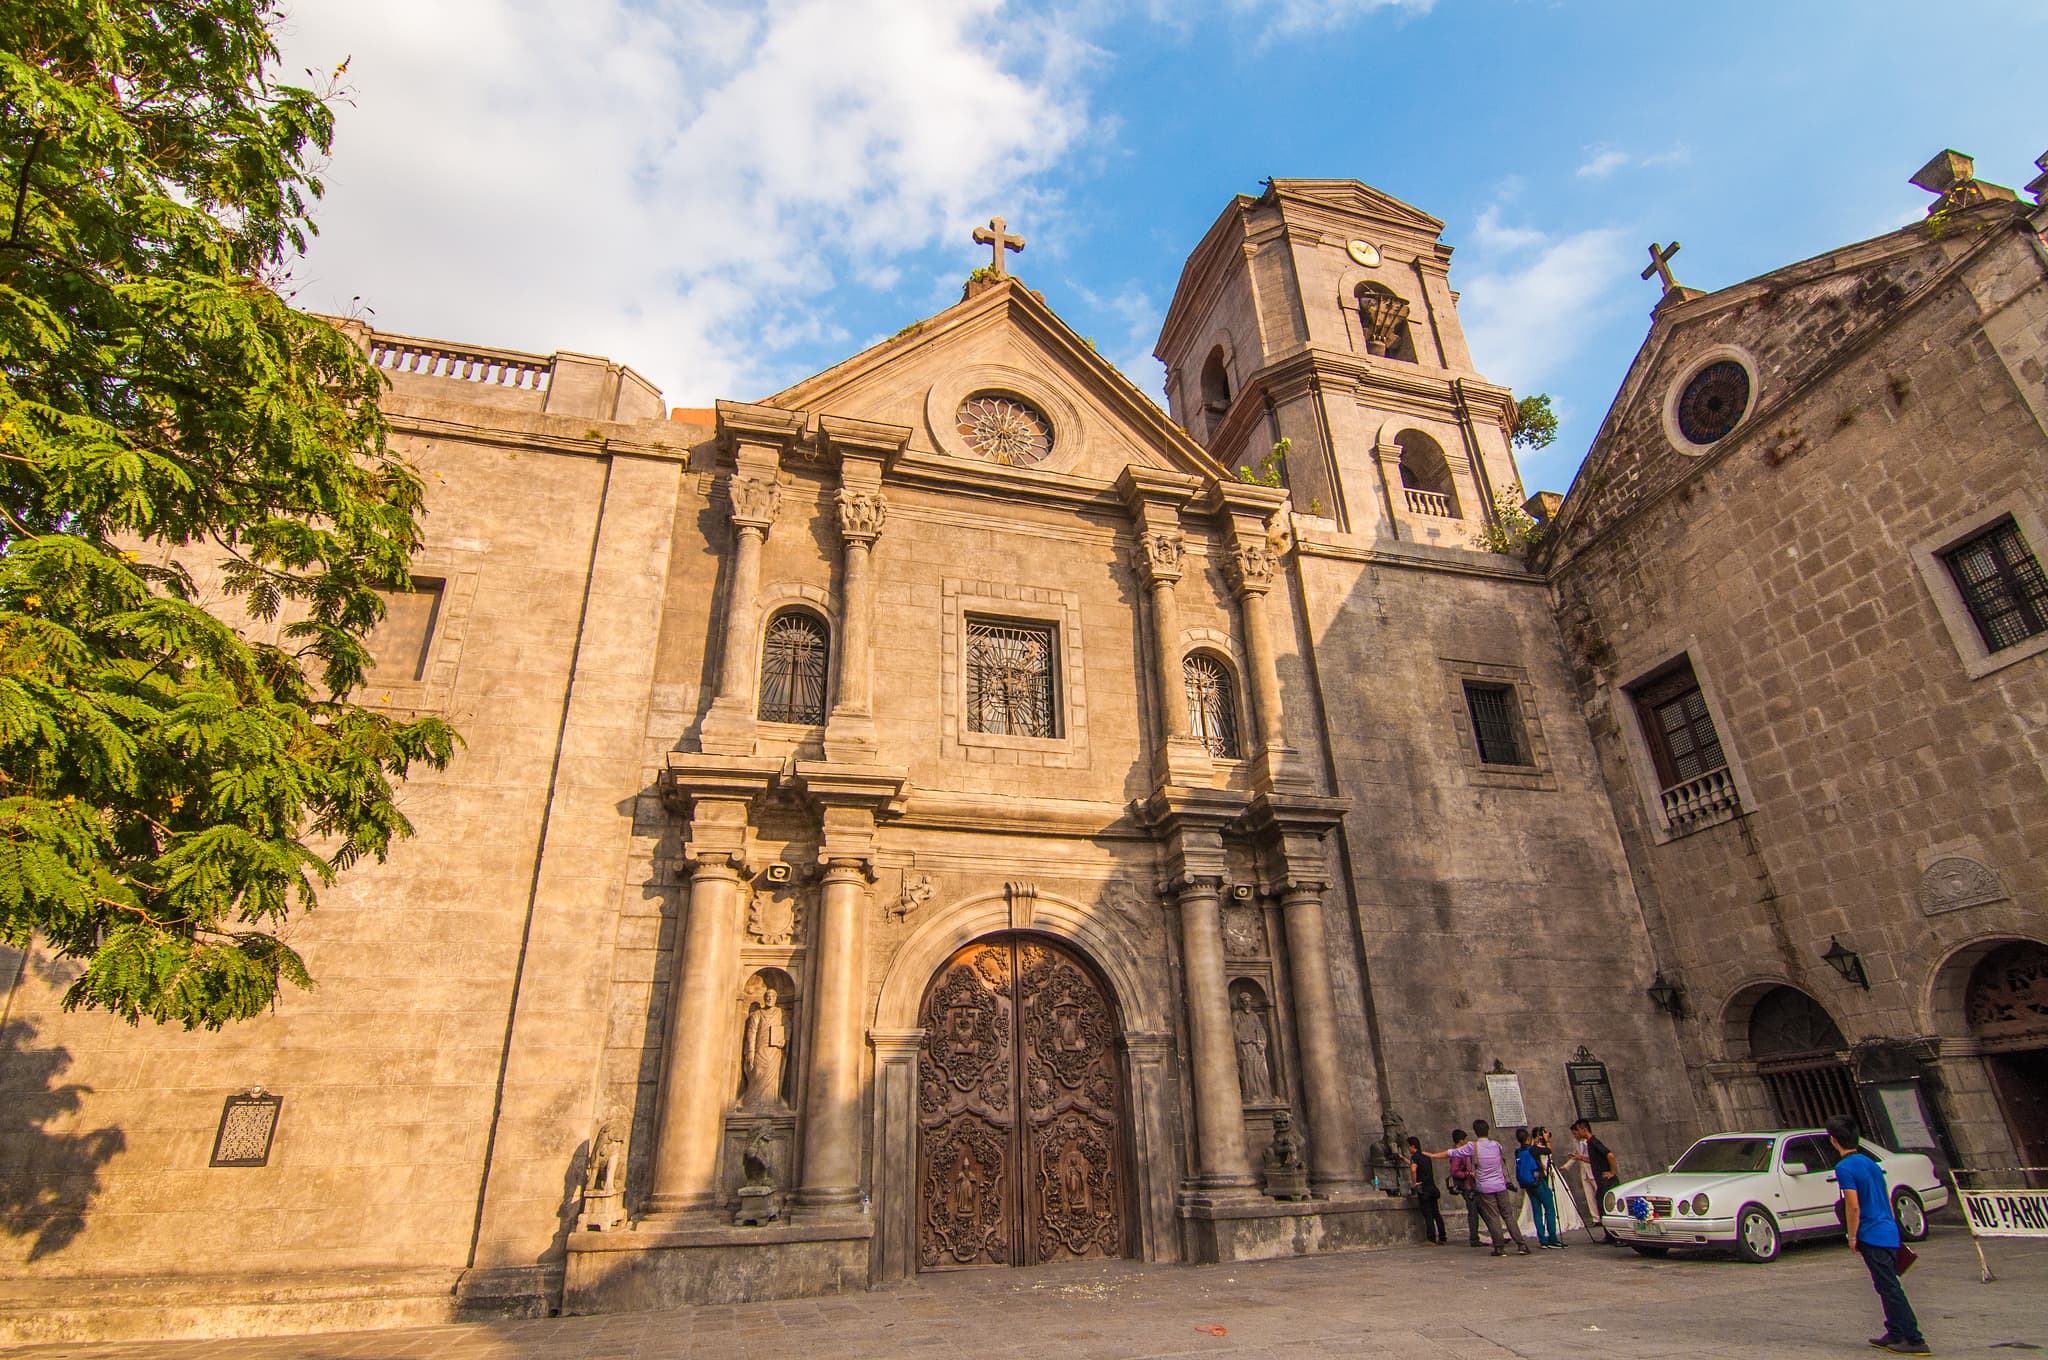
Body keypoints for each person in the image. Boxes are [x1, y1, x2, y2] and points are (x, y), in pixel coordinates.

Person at [1829, 1117, 1928, 1356]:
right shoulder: (1870, 1162)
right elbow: (1884, 1194)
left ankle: (1914, 1338)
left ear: (1833, 1140)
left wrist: (1852, 1236)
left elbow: (1852, 1205)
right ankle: (1894, 1331)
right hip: (1887, 1228)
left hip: (1871, 1232)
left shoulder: (1844, 1168)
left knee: (1890, 1287)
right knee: (1884, 1284)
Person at [1470, 1118, 1531, 1256]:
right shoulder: (1497, 1145)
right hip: (1500, 1184)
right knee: (1508, 1215)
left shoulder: (1474, 1147)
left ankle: (1499, 1247)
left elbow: (1466, 1160)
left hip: (1485, 1187)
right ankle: (1521, 1244)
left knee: (1493, 1217)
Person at [1570, 1118, 1621, 1244]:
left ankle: (1617, 1236)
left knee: (1609, 1208)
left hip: (1606, 1181)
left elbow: (1610, 1155)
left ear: (1584, 1129)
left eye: (1578, 1130)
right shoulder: (1589, 1143)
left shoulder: (1594, 1142)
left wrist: (1612, 1172)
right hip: (1600, 1181)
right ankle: (1609, 1236)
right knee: (1601, 1207)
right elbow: (1593, 1160)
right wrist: (1580, 1157)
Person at [1516, 1127, 1560, 1248]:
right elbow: (1548, 1151)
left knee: (1537, 1211)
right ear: (1528, 1139)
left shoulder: (1518, 1152)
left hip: (1527, 1184)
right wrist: (1547, 1140)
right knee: (1549, 1208)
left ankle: (1542, 1239)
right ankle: (1552, 1238)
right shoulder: (1533, 1150)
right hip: (1539, 1181)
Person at [1405, 1135, 1447, 1245]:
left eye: (1408, 1146)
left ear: (1412, 1146)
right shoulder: (1425, 1156)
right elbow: (1412, 1164)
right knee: (1436, 1213)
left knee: (1428, 1214)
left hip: (1423, 1189)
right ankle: (1442, 1236)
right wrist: (1402, 1158)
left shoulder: (1414, 1157)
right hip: (1432, 1187)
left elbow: (1413, 1169)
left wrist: (1415, 1183)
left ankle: (1431, 1238)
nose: (1408, 1149)